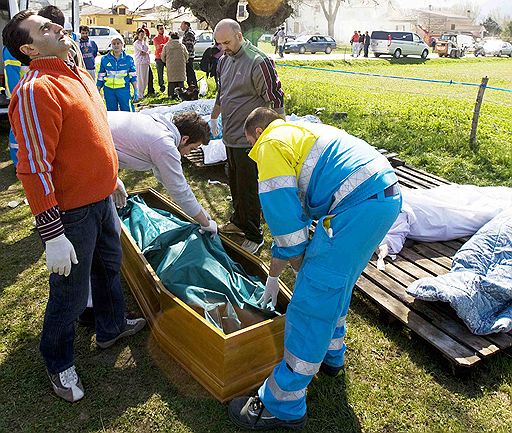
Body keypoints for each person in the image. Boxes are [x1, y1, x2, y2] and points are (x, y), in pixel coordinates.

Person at [3, 9, 146, 403]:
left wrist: (111, 176)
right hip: (71, 213)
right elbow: (32, 167)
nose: (57, 27)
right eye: (44, 28)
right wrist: (52, 234)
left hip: (101, 200)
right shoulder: (35, 90)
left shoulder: (78, 73)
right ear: (29, 48)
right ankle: (58, 360)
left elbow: (91, 134)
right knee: (69, 291)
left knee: (108, 268)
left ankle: (110, 326)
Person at [228, 107, 401, 429]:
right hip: (380, 199)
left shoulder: (269, 143)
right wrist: (275, 274)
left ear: (254, 133)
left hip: (357, 207)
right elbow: (294, 219)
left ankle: (282, 404)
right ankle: (332, 356)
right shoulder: (300, 133)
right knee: (337, 284)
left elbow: (283, 218)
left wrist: (299, 266)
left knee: (311, 300)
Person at [210, 19, 285, 254]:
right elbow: (222, 94)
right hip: (230, 135)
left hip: (250, 139)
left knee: (249, 187)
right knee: (234, 182)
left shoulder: (258, 62)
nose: (223, 48)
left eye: (227, 42)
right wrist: (214, 118)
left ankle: (254, 233)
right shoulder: (223, 61)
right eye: (219, 43)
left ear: (240, 36)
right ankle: (239, 220)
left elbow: (276, 99)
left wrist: (281, 135)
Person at [107, 110, 217, 234]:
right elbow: (179, 190)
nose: (188, 153)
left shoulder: (160, 126)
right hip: (87, 147)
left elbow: (164, 177)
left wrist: (200, 212)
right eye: (192, 149)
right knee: (109, 227)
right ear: (185, 139)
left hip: (94, 138)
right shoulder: (165, 145)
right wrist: (205, 223)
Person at [2, 46, 28, 167]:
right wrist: (18, 96)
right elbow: (12, 73)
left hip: (29, 94)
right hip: (21, 95)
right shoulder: (12, 48)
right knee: (18, 127)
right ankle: (19, 164)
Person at [97, 35, 137, 111]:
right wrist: (98, 90)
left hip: (123, 90)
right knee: (112, 113)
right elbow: (101, 76)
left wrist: (136, 89)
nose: (116, 45)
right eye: (114, 43)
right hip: (109, 91)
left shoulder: (128, 59)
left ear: (122, 44)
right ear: (111, 45)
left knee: (127, 112)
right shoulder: (105, 59)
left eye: (118, 43)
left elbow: (133, 76)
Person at [161, 31, 189, 99]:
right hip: (180, 66)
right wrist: (185, 61)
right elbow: (187, 55)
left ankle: (171, 95)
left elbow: (162, 57)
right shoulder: (182, 46)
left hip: (170, 66)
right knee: (180, 80)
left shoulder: (166, 46)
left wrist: (166, 62)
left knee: (171, 81)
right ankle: (182, 95)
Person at [133, 28, 151, 99]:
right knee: (140, 79)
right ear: (138, 35)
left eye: (143, 34)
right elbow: (143, 51)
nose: (142, 36)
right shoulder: (136, 43)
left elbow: (148, 51)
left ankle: (142, 92)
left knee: (145, 79)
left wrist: (146, 52)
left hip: (146, 62)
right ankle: (139, 94)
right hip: (140, 62)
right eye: (141, 35)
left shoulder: (145, 42)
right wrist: (146, 52)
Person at [181, 21, 197, 88]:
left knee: (190, 71)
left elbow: (189, 46)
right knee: (188, 71)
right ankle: (191, 85)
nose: (181, 27)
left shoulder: (189, 33)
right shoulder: (186, 33)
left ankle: (193, 85)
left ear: (186, 25)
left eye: (182, 25)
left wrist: (186, 56)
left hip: (189, 56)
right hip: (188, 56)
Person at [153, 23, 169, 93]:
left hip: (167, 57)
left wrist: (163, 45)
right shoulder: (155, 38)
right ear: (157, 30)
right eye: (161, 29)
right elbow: (157, 47)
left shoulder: (167, 37)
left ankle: (171, 85)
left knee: (170, 72)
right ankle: (161, 86)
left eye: (163, 28)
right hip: (159, 57)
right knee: (160, 73)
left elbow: (169, 46)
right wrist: (164, 45)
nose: (162, 30)